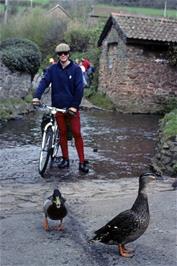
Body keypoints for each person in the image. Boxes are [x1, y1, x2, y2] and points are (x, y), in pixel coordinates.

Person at [32, 43, 89, 173]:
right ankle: (65, 159)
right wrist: (37, 96)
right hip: (57, 107)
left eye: (65, 53)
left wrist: (74, 106)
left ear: (69, 54)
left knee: (76, 133)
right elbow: (44, 82)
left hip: (71, 108)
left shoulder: (76, 69)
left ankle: (81, 161)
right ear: (57, 55)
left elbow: (79, 89)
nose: (63, 55)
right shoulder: (52, 69)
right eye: (60, 54)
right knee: (62, 133)